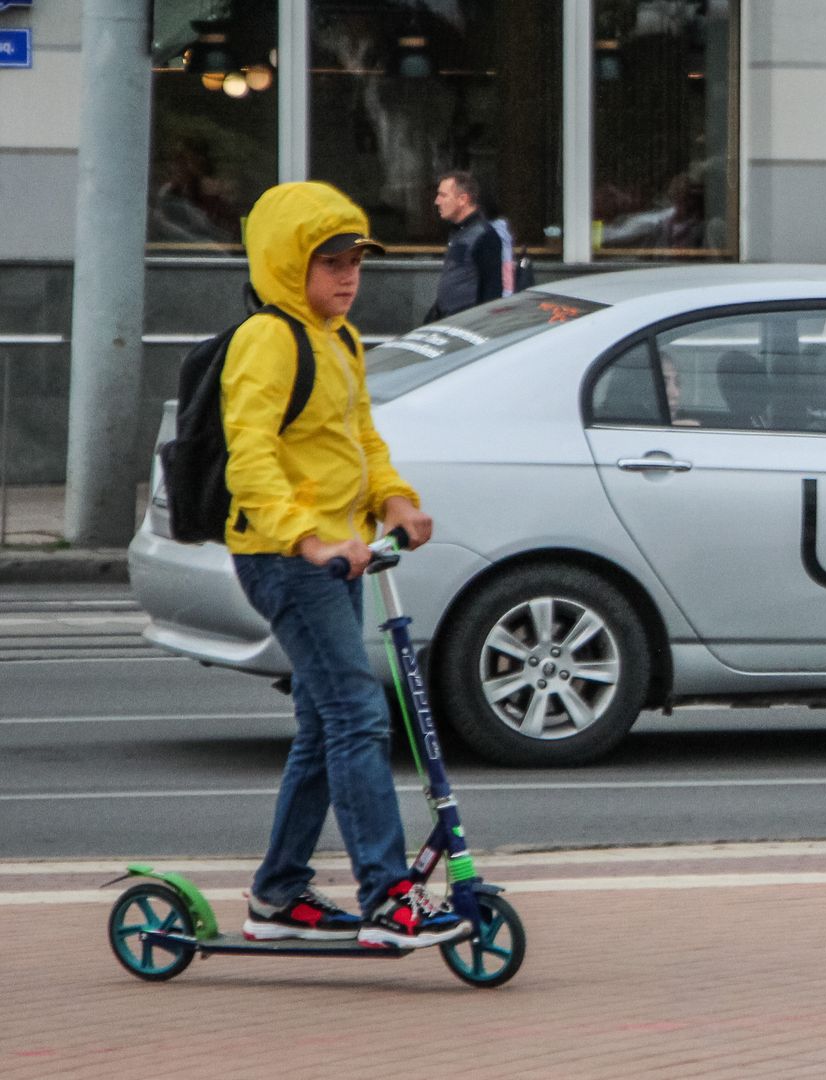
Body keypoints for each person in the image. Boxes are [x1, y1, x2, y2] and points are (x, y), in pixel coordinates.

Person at [223, 180, 471, 950]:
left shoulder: (341, 339)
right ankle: (388, 892)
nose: (347, 276)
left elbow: (360, 438)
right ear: (287, 263)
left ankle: (278, 895)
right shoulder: (267, 340)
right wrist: (308, 539)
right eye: (329, 262)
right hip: (285, 559)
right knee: (359, 714)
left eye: (355, 261)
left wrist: (394, 500)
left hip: (338, 559)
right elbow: (251, 455)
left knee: (324, 725)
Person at [427, 169, 503, 321]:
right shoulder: (458, 232)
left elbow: (491, 291)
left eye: (443, 195)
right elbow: (456, 278)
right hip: (448, 320)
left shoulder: (484, 235)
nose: (437, 201)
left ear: (463, 199)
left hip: (467, 323)